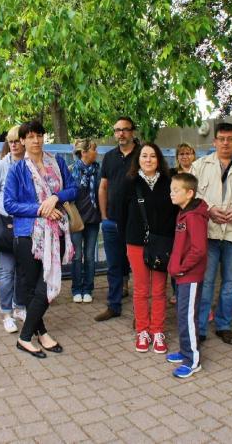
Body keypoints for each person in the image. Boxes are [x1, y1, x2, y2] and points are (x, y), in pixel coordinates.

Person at [4, 120, 77, 358]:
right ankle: (31, 336)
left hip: (56, 232)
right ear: (22, 140)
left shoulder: (57, 162)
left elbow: (74, 189)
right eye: (31, 137)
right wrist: (40, 209)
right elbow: (9, 204)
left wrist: (55, 198)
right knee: (36, 286)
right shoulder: (17, 169)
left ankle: (30, 335)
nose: (36, 141)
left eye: (39, 136)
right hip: (28, 235)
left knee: (43, 286)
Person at [192, 122, 232, 345]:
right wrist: (208, 209)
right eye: (221, 139)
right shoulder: (200, 166)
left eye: (230, 139)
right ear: (214, 141)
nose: (225, 143)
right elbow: (191, 194)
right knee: (206, 281)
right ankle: (200, 328)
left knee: (230, 283)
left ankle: (224, 325)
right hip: (209, 232)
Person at [119, 143, 177, 353]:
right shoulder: (130, 182)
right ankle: (142, 330)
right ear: (138, 159)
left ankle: (157, 330)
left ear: (159, 158)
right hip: (136, 243)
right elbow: (120, 214)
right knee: (141, 289)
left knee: (159, 290)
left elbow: (175, 213)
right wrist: (127, 237)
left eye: (153, 156)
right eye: (144, 156)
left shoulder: (169, 181)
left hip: (162, 243)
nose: (149, 159)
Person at [94, 116, 138, 322]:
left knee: (139, 267)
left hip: (136, 222)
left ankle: (141, 312)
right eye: (117, 130)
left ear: (133, 132)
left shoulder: (143, 155)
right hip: (112, 221)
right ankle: (114, 306)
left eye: (125, 130)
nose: (121, 134)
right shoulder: (110, 157)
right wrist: (104, 216)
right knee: (114, 266)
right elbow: (103, 187)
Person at [0, 126, 26, 333]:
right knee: (7, 271)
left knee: (22, 271)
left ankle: (19, 307)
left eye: (17, 140)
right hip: (7, 225)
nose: (14, 145)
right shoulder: (1, 167)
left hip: (26, 226)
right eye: (11, 142)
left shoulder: (30, 165)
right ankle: (6, 312)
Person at [166, 173, 209, 378]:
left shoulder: (194, 216)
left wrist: (182, 268)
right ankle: (185, 352)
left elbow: (199, 249)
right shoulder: (183, 213)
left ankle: (193, 360)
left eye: (176, 190)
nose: (171, 194)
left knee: (188, 317)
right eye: (171, 189)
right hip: (182, 275)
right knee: (182, 315)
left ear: (189, 193)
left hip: (189, 276)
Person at [70, 138, 101, 303]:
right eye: (94, 149)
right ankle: (76, 289)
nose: (96, 153)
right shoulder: (72, 171)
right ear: (84, 152)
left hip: (93, 220)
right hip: (76, 220)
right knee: (77, 255)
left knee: (89, 256)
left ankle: (88, 288)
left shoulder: (98, 170)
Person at [168, 142, 197, 304]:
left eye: (188, 153)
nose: (185, 156)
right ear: (177, 157)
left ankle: (190, 289)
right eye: (181, 154)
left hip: (194, 220)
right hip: (176, 219)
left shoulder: (199, 171)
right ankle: (176, 290)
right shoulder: (172, 174)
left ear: (193, 154)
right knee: (177, 255)